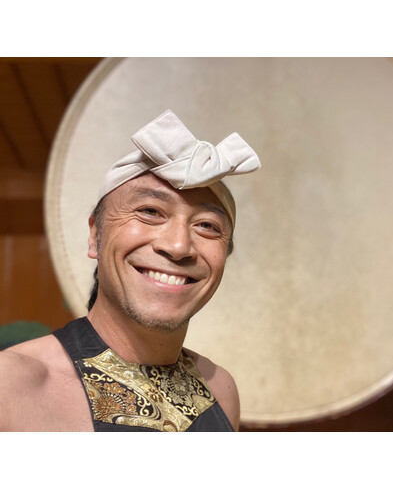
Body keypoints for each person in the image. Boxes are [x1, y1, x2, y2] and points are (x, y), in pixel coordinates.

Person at [0, 110, 260, 432]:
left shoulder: (221, 390)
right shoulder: (12, 386)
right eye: (150, 211)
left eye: (207, 226)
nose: (178, 246)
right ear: (96, 235)